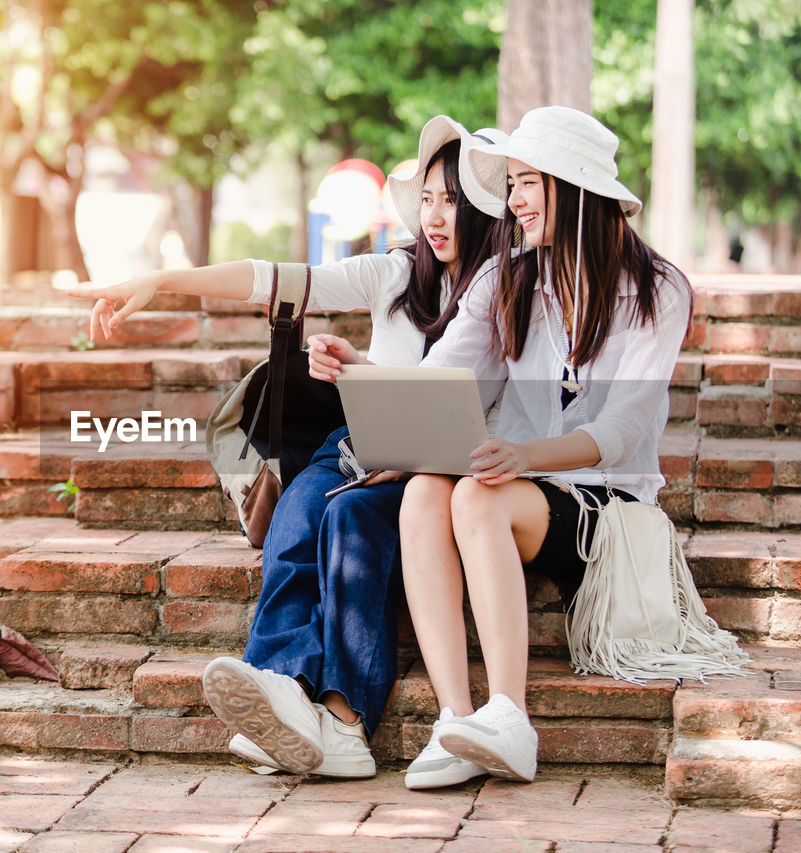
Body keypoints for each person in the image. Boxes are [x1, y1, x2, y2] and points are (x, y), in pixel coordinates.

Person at [69, 116, 508, 782]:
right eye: (429, 198)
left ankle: (344, 725)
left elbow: (448, 385)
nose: (437, 215)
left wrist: (359, 367)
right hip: (361, 444)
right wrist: (162, 280)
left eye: (454, 199)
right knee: (298, 513)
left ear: (484, 208)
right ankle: (278, 694)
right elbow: (278, 277)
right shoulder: (395, 273)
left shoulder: (501, 286)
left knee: (351, 521)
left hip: (429, 464)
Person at [395, 106, 692, 786]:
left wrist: (523, 457)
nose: (514, 201)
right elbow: (446, 373)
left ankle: (510, 717)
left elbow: (620, 432)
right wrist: (401, 416)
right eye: (513, 184)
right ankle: (452, 720)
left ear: (573, 186)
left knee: (477, 494)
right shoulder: (509, 279)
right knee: (422, 493)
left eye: (528, 182)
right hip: (515, 491)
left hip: (604, 502)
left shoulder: (658, 290)